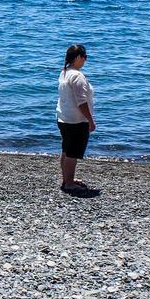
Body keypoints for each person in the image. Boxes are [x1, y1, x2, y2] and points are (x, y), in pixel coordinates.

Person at [56, 44, 95, 193]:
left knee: (66, 150)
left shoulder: (64, 72)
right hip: (76, 120)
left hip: (63, 117)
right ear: (79, 57)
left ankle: (67, 179)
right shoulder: (77, 76)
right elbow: (81, 102)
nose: (85, 60)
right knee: (72, 153)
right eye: (85, 57)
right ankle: (69, 184)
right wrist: (90, 120)